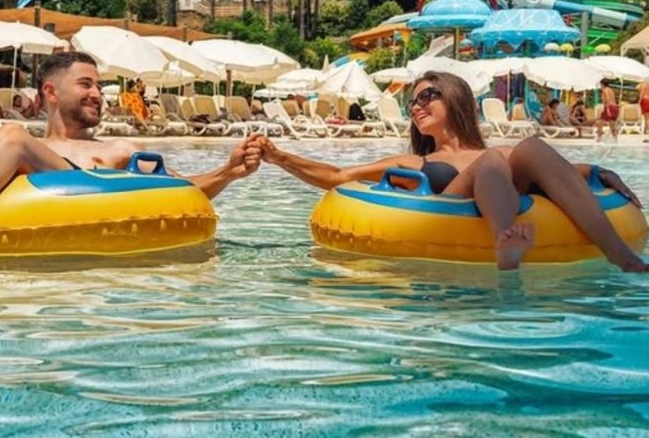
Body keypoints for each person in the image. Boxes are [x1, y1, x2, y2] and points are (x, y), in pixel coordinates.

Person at [0, 52, 259, 262]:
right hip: (13, 167)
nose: (97, 94)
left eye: (98, 86)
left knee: (13, 136)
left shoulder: (117, 149)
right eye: (86, 84)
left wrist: (227, 172)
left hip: (73, 180)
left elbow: (176, 191)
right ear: (51, 92)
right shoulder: (9, 148)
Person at [245, 71, 647, 273]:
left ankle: (621, 256)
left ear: (455, 99)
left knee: (529, 147)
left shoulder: (497, 152)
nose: (416, 106)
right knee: (493, 161)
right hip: (452, 207)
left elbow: (555, 173)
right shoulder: (413, 163)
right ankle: (505, 244)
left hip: (501, 183)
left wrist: (597, 170)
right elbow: (336, 175)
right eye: (412, 103)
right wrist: (280, 157)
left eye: (427, 96)